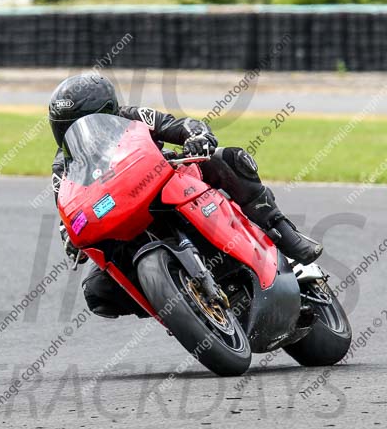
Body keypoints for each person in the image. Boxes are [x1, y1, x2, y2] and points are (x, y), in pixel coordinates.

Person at [49, 73, 322, 318]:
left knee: (226, 158)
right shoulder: (64, 167)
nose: (74, 132)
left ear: (108, 111)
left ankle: (282, 230)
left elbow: (179, 125)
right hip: (123, 219)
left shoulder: (132, 116)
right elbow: (69, 209)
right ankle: (178, 304)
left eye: (81, 123)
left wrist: (197, 135)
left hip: (167, 185)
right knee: (97, 292)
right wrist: (70, 234)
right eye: (65, 127)